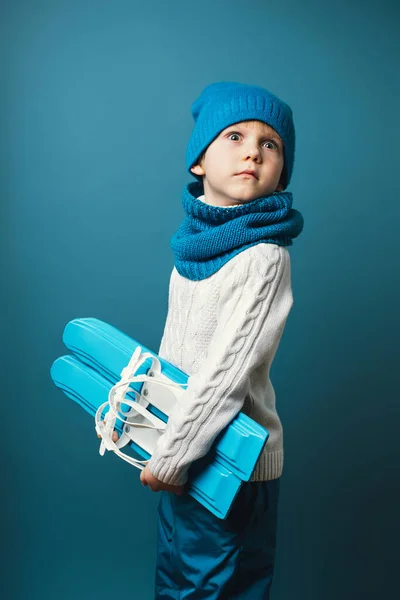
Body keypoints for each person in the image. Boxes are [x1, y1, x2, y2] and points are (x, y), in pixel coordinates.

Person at [135, 82, 303, 598]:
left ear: (280, 174)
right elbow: (175, 356)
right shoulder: (191, 249)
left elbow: (226, 374)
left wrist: (172, 455)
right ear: (199, 162)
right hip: (184, 449)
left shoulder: (263, 258)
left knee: (212, 589)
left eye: (269, 144)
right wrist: (154, 433)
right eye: (235, 135)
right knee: (177, 579)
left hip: (229, 463)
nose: (253, 149)